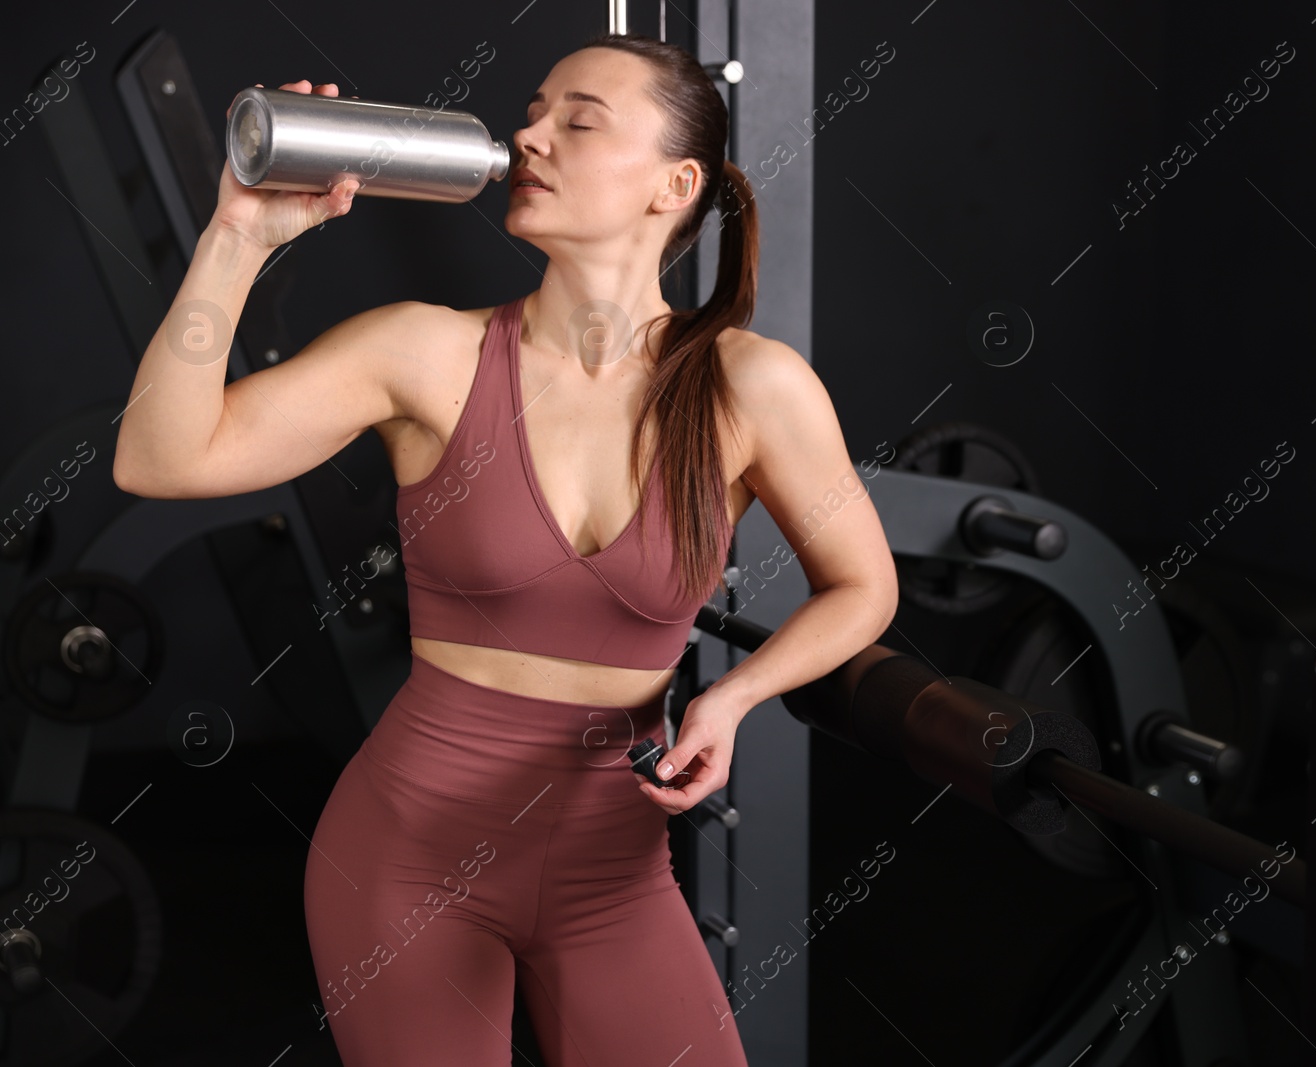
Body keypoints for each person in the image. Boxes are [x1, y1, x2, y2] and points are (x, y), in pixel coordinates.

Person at [111, 31, 897, 1067]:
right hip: (403, 855)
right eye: (532, 113)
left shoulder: (754, 385)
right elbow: (158, 458)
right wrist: (238, 235)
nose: (529, 135)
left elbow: (863, 586)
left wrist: (735, 695)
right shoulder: (423, 352)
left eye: (577, 120)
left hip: (612, 869)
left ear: (676, 183)